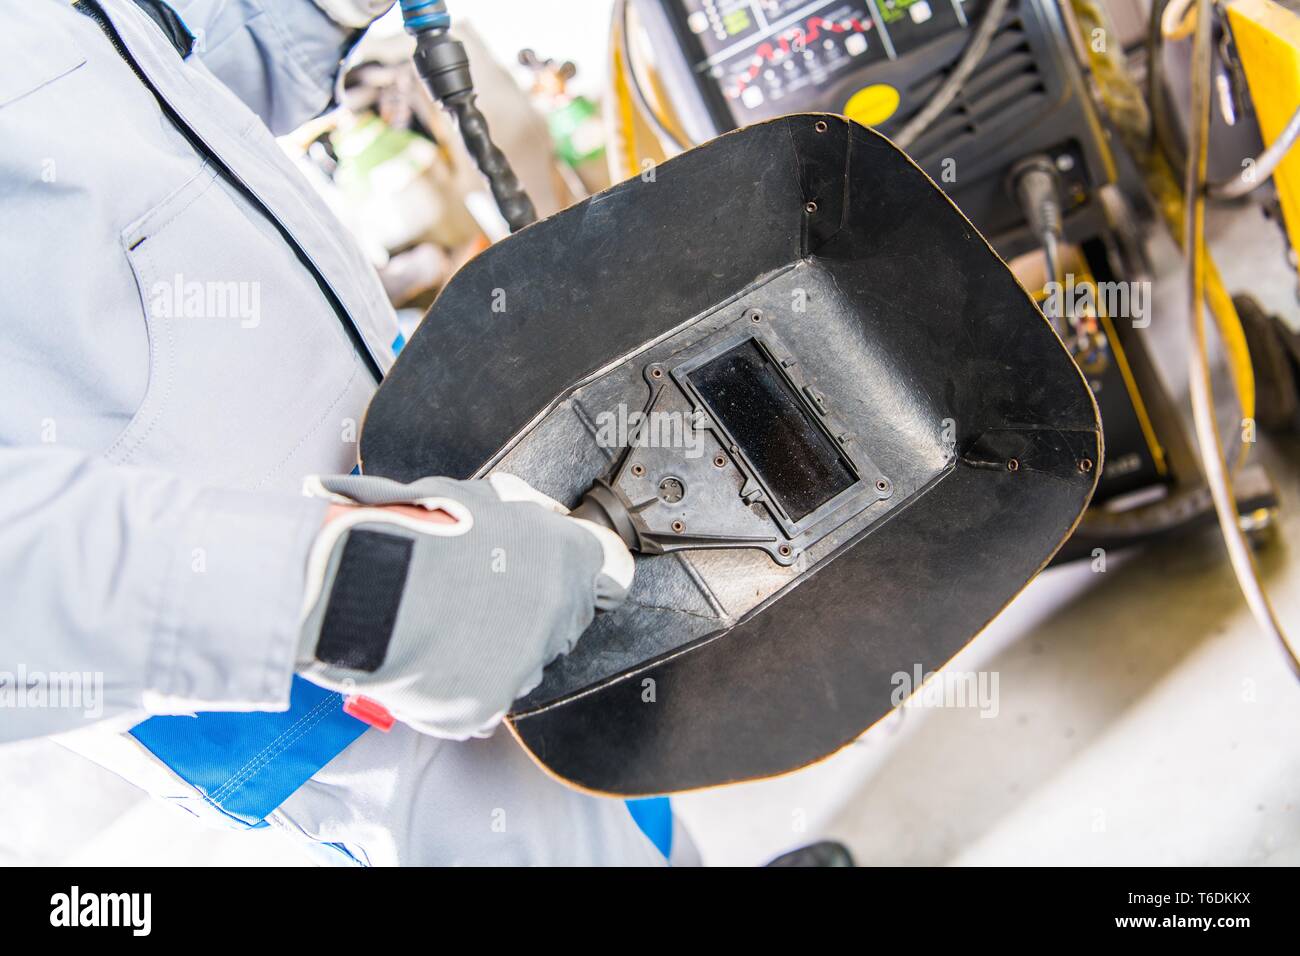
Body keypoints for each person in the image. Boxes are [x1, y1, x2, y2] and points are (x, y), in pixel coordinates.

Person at [1, 0, 686, 865]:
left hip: (430, 485)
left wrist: (312, 13)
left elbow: (133, 100)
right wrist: (346, 586)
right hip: (293, 658)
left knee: (621, 779)